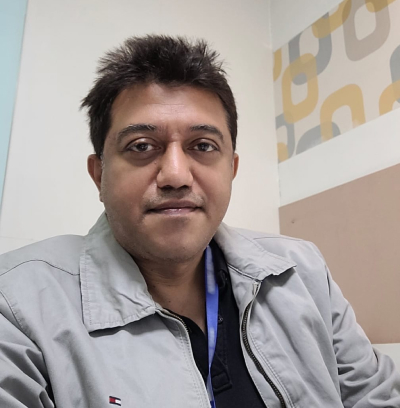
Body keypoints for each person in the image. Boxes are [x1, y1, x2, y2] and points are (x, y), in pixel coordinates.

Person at [0, 35, 399, 408]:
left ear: (231, 169)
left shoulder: (302, 272)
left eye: (203, 146)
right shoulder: (17, 308)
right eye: (142, 146)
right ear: (98, 174)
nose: (175, 175)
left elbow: (376, 395)